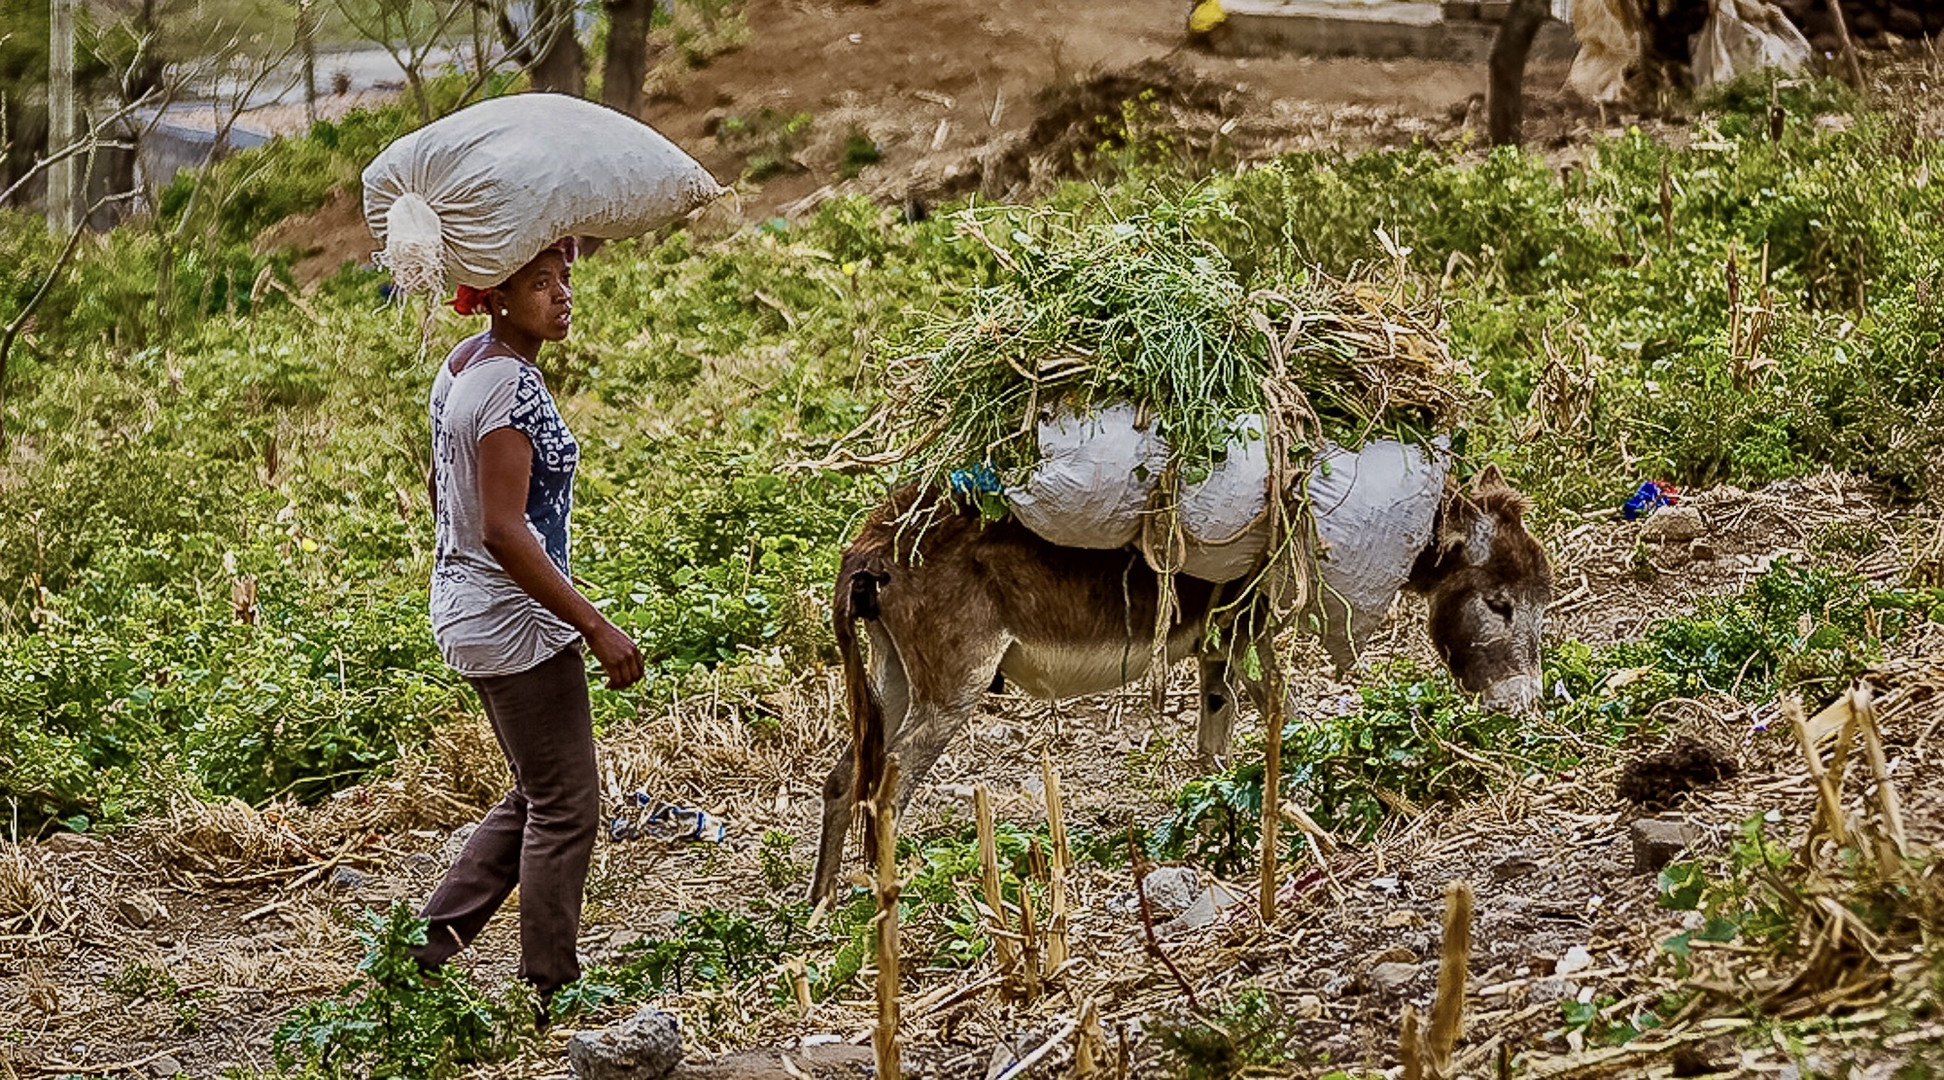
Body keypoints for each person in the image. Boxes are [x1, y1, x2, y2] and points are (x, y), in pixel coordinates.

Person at [413, 237, 644, 1008]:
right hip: (512, 620)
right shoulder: (509, 389)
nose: (561, 294)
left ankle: (424, 948)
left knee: (535, 792)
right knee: (569, 804)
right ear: (495, 295)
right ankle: (552, 988)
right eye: (539, 282)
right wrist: (595, 626)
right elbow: (504, 530)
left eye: (564, 278)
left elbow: (446, 489)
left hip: (465, 604)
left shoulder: (461, 367)